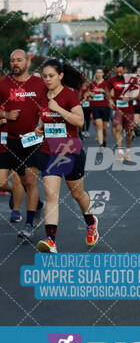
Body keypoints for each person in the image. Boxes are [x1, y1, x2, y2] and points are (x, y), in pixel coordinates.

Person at [35, 59, 98, 253]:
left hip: (70, 151)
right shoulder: (42, 96)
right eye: (45, 76)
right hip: (49, 151)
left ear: (61, 75)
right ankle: (51, 240)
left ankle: (91, 221)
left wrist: (59, 109)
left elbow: (80, 121)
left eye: (51, 76)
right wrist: (39, 127)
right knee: (51, 196)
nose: (47, 79)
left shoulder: (69, 95)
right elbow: (44, 117)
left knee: (77, 194)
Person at [0, 50, 46, 240]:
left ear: (27, 62)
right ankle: (38, 206)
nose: (15, 63)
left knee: (30, 179)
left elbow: (47, 107)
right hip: (12, 139)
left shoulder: (39, 84)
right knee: (23, 180)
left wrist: (41, 125)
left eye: (19, 60)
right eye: (12, 60)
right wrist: (5, 115)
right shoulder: (3, 85)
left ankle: (28, 225)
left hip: (33, 139)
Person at [108, 63, 138, 162]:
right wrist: (110, 100)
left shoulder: (132, 79)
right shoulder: (112, 79)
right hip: (118, 109)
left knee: (129, 131)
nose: (119, 73)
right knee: (118, 128)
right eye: (117, 71)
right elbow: (106, 90)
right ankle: (120, 152)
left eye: (121, 71)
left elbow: (137, 93)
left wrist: (129, 97)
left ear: (125, 70)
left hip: (129, 109)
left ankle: (127, 151)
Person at [88, 68, 110, 151]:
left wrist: (103, 91)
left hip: (105, 107)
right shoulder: (92, 84)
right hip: (95, 107)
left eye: (100, 72)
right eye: (97, 72)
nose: (99, 74)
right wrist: (90, 95)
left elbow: (111, 94)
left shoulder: (106, 83)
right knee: (99, 126)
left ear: (103, 74)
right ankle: (101, 145)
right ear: (95, 74)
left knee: (104, 128)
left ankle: (104, 140)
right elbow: (89, 94)